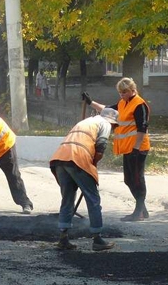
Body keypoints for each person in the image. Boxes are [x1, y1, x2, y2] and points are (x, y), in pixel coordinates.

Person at [50, 107, 120, 251]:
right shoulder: (104, 123)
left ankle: (63, 238)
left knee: (67, 199)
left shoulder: (86, 121)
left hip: (60, 158)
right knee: (93, 199)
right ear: (111, 121)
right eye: (114, 126)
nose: (112, 129)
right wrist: (93, 164)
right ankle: (97, 239)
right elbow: (101, 146)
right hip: (77, 158)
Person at [81, 77, 151, 221]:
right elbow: (107, 110)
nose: (122, 94)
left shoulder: (139, 104)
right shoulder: (123, 103)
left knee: (137, 179)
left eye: (124, 92)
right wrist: (90, 102)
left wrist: (136, 148)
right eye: (120, 92)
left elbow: (142, 127)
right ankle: (142, 210)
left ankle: (138, 212)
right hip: (128, 149)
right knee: (128, 180)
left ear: (132, 90)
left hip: (137, 148)